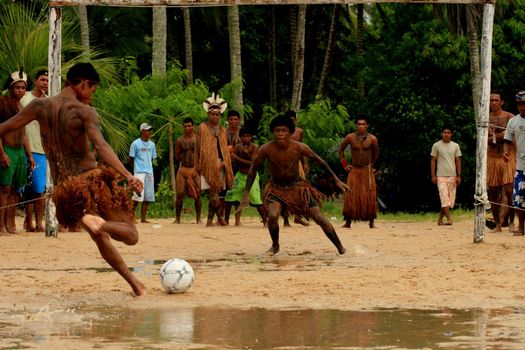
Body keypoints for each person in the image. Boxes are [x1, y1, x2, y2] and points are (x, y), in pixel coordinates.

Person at [0, 63, 145, 296]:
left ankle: (136, 286)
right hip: (89, 180)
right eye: (92, 91)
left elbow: (4, 127)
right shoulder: (83, 111)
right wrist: (128, 175)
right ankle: (101, 223)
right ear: (83, 83)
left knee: (99, 237)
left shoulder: (38, 106)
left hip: (64, 191)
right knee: (131, 235)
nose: (91, 97)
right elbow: (101, 146)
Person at [238, 114, 348, 255]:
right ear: (273, 132)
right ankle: (275, 245)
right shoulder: (266, 149)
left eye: (283, 130)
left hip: (298, 188)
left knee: (318, 217)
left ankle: (340, 247)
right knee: (272, 215)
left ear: (290, 132)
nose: (280, 134)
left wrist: (336, 180)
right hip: (275, 189)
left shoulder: (299, 147)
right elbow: (253, 170)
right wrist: (246, 193)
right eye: (277, 130)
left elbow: (320, 161)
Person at [0, 70, 35, 234]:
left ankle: (11, 223)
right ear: (11, 88)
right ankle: (0, 225)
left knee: (16, 189)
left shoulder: (22, 106)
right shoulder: (2, 103)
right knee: (4, 188)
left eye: (23, 88)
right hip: (7, 149)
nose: (20, 90)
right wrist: (1, 153)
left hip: (20, 151)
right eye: (17, 87)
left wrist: (29, 155)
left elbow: (24, 133)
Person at [196, 93, 234, 226]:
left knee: (216, 192)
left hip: (221, 163)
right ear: (208, 114)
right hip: (207, 165)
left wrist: (224, 162)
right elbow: (198, 148)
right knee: (213, 194)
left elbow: (225, 149)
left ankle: (209, 220)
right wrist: (199, 166)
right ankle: (220, 219)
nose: (215, 116)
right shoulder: (202, 128)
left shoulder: (223, 130)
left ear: (220, 115)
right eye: (212, 114)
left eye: (217, 114)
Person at [20, 70, 48, 232]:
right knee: (26, 188)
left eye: (47, 80)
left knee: (40, 189)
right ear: (35, 81)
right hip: (24, 148)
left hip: (41, 150)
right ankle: (28, 221)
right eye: (42, 80)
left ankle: (39, 222)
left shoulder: (48, 101)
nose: (45, 83)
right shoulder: (25, 98)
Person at [338, 117, 379, 229]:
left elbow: (376, 155)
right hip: (354, 170)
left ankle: (371, 222)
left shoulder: (373, 139)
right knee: (351, 195)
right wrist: (345, 164)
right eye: (359, 124)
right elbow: (340, 150)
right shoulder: (350, 137)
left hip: (367, 171)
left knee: (369, 196)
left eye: (363, 124)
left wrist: (372, 166)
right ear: (356, 125)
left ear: (367, 126)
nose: (361, 126)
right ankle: (348, 222)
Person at [224, 126, 267, 226]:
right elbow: (233, 161)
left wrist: (236, 157)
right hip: (240, 175)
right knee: (229, 196)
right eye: (244, 136)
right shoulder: (238, 147)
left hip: (252, 176)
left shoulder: (255, 147)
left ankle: (265, 221)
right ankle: (226, 221)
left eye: (248, 136)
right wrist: (229, 155)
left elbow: (253, 164)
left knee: (256, 200)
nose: (246, 138)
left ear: (251, 137)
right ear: (240, 137)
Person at [487, 90, 515, 232]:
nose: (493, 103)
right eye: (491, 100)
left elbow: (512, 136)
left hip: (507, 158)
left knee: (510, 191)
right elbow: (483, 140)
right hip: (492, 158)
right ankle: (497, 224)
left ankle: (511, 222)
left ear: (502, 102)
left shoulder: (510, 117)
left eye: (496, 100)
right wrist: (500, 136)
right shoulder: (485, 119)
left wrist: (494, 137)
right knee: (492, 191)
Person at [282, 109, 309, 227]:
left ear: (296, 120)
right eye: (289, 120)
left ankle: (298, 217)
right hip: (283, 163)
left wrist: (305, 163)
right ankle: (286, 220)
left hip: (297, 163)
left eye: (293, 120)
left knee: (300, 190)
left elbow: (302, 148)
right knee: (283, 191)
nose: (291, 122)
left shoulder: (299, 132)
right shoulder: (281, 132)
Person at [430, 125, 462, 226]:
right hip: (440, 176)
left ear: (451, 134)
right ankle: (449, 218)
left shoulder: (455, 146)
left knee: (450, 200)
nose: (446, 134)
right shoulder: (436, 145)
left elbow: (458, 160)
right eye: (444, 132)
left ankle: (440, 219)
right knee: (444, 198)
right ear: (441, 134)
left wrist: (459, 175)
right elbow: (433, 160)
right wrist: (433, 175)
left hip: (452, 176)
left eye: (448, 133)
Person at [504, 90, 525, 235]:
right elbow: (507, 140)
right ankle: (521, 228)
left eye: (524, 103)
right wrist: (506, 152)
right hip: (521, 167)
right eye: (519, 104)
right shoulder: (513, 121)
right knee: (519, 199)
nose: (522, 106)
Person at [174, 117, 201, 224]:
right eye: (185, 126)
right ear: (183, 127)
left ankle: (198, 218)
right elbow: (177, 156)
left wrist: (198, 167)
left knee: (198, 193)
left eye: (189, 126)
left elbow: (201, 154)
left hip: (195, 170)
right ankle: (177, 218)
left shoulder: (198, 139)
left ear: (193, 126)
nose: (187, 128)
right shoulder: (179, 141)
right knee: (180, 194)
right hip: (183, 169)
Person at [129, 123, 157, 224]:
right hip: (139, 173)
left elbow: (152, 158)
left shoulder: (152, 145)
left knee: (147, 197)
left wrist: (149, 168)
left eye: (150, 130)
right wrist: (136, 170)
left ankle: (143, 219)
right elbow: (131, 158)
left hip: (149, 173)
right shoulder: (135, 144)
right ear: (142, 131)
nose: (149, 132)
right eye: (147, 130)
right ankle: (130, 216)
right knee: (137, 196)